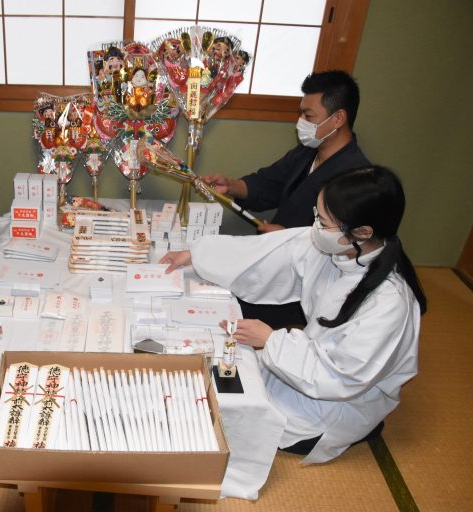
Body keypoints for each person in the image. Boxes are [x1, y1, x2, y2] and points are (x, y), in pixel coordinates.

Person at [160, 166, 426, 463]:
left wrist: (271, 341)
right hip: (303, 359)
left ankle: (357, 429)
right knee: (218, 379)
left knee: (228, 421)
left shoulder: (389, 303)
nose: (314, 228)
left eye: (323, 222)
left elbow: (340, 378)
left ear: (363, 232)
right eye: (317, 215)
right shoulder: (339, 245)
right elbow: (263, 255)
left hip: (336, 403)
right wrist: (197, 255)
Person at [202, 70, 370, 328]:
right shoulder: (306, 153)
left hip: (301, 286)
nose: (300, 121)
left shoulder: (356, 178)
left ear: (338, 119)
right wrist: (232, 186)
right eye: (300, 112)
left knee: (225, 310)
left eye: (308, 115)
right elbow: (269, 182)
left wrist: (291, 237)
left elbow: (347, 247)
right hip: (274, 256)